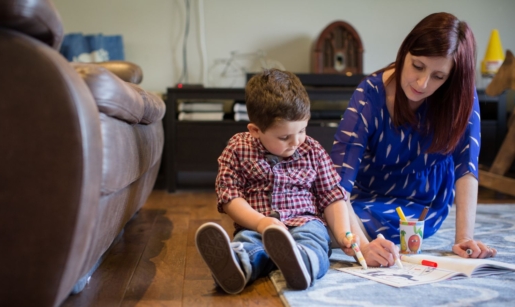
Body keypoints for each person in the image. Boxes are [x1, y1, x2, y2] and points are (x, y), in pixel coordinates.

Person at [330, 12, 498, 268]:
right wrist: (362, 247)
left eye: (439, 76)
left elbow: (467, 166)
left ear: (451, 78)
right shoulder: (369, 93)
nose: (422, 83)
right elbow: (338, 181)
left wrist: (464, 237)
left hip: (421, 204)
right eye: (417, 66)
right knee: (327, 209)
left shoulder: (461, 96)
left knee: (333, 223)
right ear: (404, 51)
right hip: (365, 195)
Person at [195, 68, 354, 294]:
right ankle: (236, 265)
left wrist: (343, 234)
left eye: (302, 130)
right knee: (250, 244)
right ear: (255, 130)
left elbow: (332, 195)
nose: (297, 141)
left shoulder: (313, 150)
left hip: (304, 222)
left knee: (314, 242)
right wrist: (261, 223)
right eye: (284, 137)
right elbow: (230, 196)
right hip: (257, 225)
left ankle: (303, 263)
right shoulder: (238, 148)